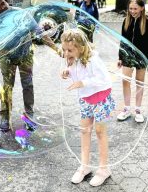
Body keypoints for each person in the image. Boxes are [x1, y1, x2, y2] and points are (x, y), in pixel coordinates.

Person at [0, 0, 59, 131]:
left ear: (7, 1)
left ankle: (29, 114)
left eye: (3, 4)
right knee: (7, 87)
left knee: (28, 85)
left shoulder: (22, 14)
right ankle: (5, 117)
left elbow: (39, 32)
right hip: (6, 56)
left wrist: (56, 48)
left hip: (25, 54)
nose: (2, 7)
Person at [60, 29, 115, 187]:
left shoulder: (93, 60)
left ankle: (104, 169)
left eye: (70, 50)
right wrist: (67, 72)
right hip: (85, 99)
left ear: (81, 48)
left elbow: (103, 79)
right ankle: (85, 166)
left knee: (99, 131)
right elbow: (77, 73)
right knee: (84, 130)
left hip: (101, 99)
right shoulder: (74, 59)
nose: (66, 53)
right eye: (64, 49)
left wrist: (83, 83)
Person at [117, 0, 148, 123]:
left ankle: (138, 110)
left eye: (135, 8)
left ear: (142, 8)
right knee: (125, 81)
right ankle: (127, 109)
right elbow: (122, 41)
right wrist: (120, 57)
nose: (132, 11)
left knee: (140, 82)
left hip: (142, 57)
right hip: (127, 55)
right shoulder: (126, 21)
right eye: (130, 9)